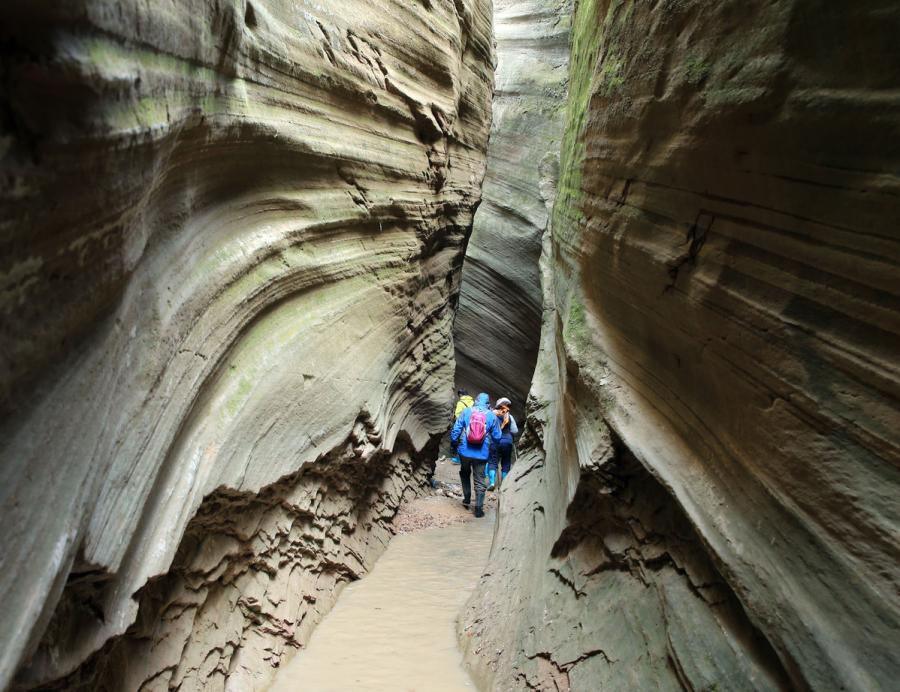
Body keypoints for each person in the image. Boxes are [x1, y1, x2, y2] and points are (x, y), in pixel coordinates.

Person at [450, 392, 501, 518]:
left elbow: (456, 429)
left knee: (465, 472)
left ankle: (467, 498)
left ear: (476, 401)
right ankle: (478, 508)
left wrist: (454, 443)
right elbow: (497, 437)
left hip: (464, 451)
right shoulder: (492, 416)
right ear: (488, 404)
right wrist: (491, 445)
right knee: (480, 479)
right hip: (482, 453)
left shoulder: (467, 411)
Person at [487, 397, 517, 490]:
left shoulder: (492, 414)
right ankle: (504, 485)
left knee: (493, 461)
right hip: (507, 441)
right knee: (506, 462)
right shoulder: (509, 416)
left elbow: (487, 427)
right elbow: (515, 430)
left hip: (495, 441)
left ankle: (492, 483)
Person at [450, 389, 474, 464]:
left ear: (460, 394)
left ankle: (459, 459)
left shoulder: (460, 403)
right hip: (473, 424)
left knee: (461, 442)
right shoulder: (473, 402)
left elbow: (457, 415)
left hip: (463, 425)